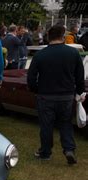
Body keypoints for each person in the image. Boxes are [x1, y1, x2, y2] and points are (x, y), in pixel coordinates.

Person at [27, 25, 85, 164]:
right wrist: (78, 92)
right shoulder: (73, 53)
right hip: (66, 95)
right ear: (63, 36)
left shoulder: (40, 55)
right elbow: (79, 76)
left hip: (46, 95)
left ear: (48, 37)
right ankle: (69, 149)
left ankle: (46, 152)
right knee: (65, 123)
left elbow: (31, 77)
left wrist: (36, 90)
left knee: (46, 125)